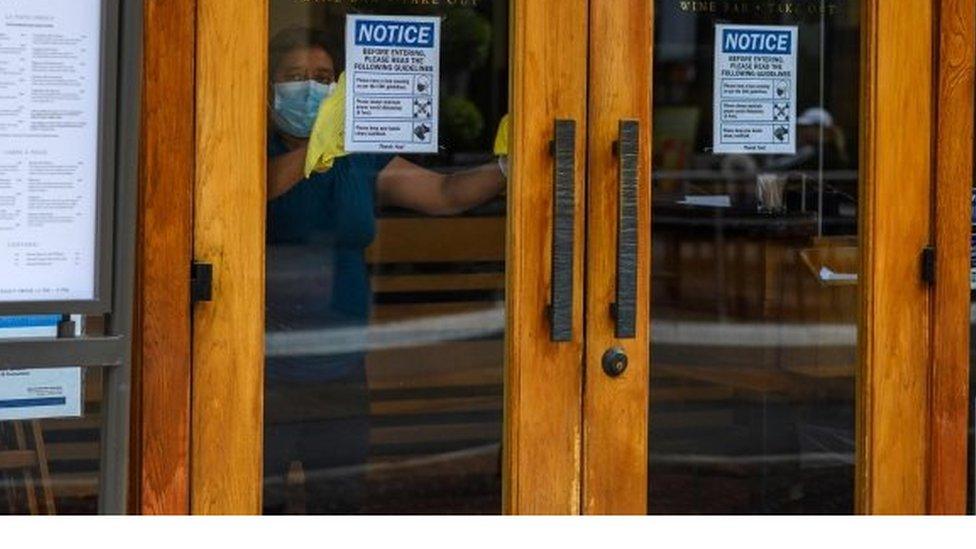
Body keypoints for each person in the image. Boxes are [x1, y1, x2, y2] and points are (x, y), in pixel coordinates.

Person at [263, 27, 507, 514]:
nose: (311, 88)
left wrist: (507, 166)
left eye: (323, 78)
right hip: (262, 369)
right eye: (295, 77)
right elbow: (247, 194)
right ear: (268, 87)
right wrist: (312, 154)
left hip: (343, 369)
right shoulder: (250, 150)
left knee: (339, 504)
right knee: (256, 502)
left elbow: (444, 194)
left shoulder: (360, 153)